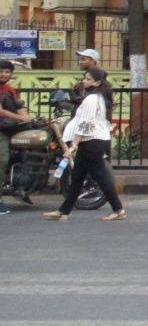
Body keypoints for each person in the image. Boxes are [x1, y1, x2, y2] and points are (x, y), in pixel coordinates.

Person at [43, 67, 125, 221]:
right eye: (85, 78)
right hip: (92, 141)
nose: (84, 81)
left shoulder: (92, 99)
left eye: (88, 79)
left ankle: (118, 209)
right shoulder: (98, 97)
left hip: (91, 141)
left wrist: (73, 145)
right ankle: (64, 211)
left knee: (100, 176)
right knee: (77, 177)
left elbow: (85, 123)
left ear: (97, 82)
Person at [0, 60, 32, 216]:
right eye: (1, 71)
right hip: (1, 130)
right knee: (2, 159)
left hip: (9, 128)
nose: (4, 74)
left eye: (7, 72)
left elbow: (19, 108)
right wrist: (22, 119)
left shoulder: (10, 90)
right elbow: (1, 112)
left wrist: (29, 118)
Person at [70, 48, 100, 113]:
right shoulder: (85, 77)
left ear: (93, 61)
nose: (80, 62)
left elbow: (90, 99)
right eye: (80, 59)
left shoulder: (98, 77)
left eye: (83, 59)